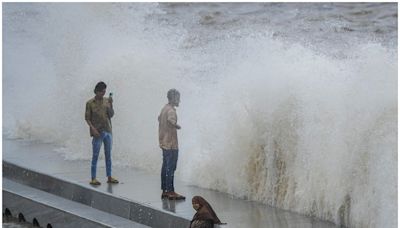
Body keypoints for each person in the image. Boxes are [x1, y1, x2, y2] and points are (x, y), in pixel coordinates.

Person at [85, 81, 119, 185]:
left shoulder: (106, 101)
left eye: (105, 91)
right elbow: (87, 118)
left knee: (108, 155)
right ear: (97, 91)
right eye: (102, 92)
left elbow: (111, 115)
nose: (103, 94)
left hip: (108, 130)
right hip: (97, 132)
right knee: (95, 155)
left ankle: (109, 176)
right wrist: (93, 129)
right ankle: (93, 178)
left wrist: (111, 104)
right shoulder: (90, 103)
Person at [158, 88, 185, 200]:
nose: (179, 100)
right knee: (171, 168)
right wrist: (176, 125)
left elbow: (159, 118)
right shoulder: (171, 111)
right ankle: (171, 191)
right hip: (171, 144)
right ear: (173, 98)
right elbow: (170, 120)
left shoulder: (164, 108)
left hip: (163, 142)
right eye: (178, 98)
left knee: (165, 167)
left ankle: (164, 190)